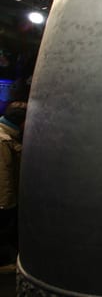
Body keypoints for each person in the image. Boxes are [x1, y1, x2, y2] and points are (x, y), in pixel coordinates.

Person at [0, 101, 27, 273]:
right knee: (3, 229)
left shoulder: (7, 136)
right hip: (4, 200)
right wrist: (5, 204)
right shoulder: (3, 141)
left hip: (6, 198)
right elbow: (2, 176)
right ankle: (3, 263)